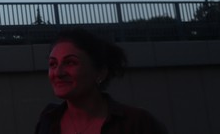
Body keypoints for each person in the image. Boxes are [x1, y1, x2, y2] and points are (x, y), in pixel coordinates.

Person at [35, 28, 169, 134]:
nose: (58, 73)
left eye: (70, 62)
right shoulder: (49, 120)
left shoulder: (137, 123)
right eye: (53, 64)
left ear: (100, 72)